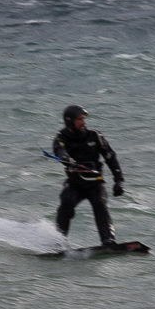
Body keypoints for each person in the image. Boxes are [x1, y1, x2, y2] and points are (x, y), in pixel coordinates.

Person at [51, 104, 124, 246]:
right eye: (79, 119)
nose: (83, 122)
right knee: (66, 203)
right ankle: (59, 243)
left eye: (83, 119)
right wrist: (67, 160)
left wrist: (119, 181)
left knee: (100, 203)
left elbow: (110, 157)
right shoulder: (61, 138)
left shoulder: (95, 136)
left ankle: (108, 240)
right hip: (74, 183)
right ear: (69, 121)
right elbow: (60, 151)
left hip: (95, 182)